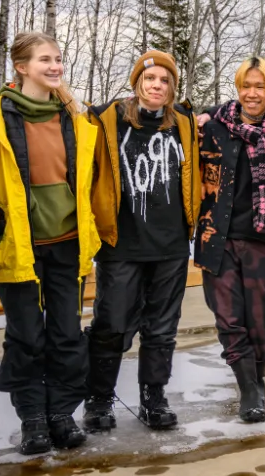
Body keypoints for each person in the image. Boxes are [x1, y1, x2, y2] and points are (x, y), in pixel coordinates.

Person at [0, 32, 99, 455]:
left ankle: (62, 413)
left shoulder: (77, 120)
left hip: (68, 242)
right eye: (45, 59)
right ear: (21, 66)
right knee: (27, 335)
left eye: (58, 59)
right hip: (18, 245)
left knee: (67, 333)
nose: (54, 67)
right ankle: (32, 416)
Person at [82, 50, 201, 432]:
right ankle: (99, 398)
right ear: (137, 83)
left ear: (172, 88)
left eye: (165, 81)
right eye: (150, 79)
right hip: (122, 244)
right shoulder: (107, 119)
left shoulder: (183, 123)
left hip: (170, 245)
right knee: (112, 323)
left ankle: (154, 396)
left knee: (162, 327)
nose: (157, 86)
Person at [196, 57, 265, 423]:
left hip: (262, 236)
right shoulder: (213, 127)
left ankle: (258, 376)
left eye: (260, 87)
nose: (252, 94)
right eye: (245, 86)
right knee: (227, 317)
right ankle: (248, 389)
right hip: (215, 235)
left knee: (259, 317)